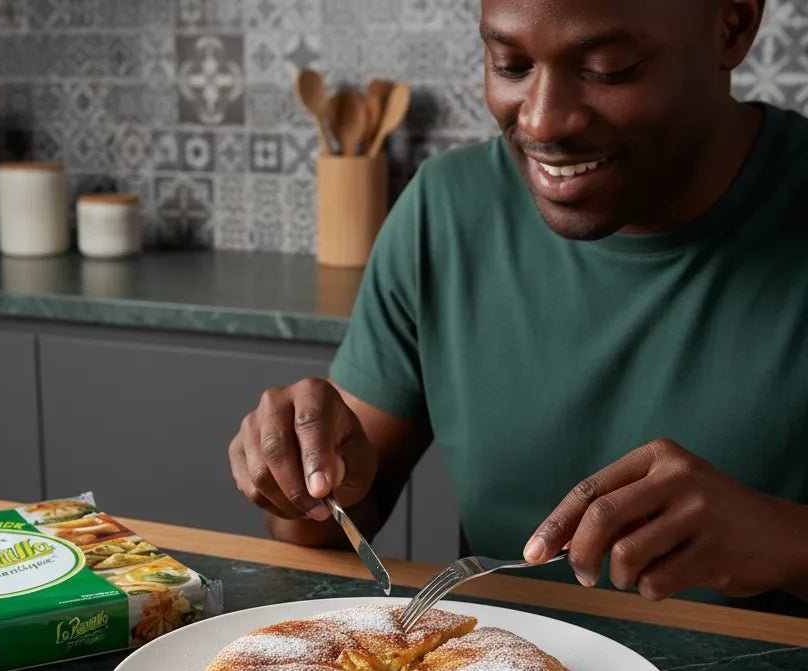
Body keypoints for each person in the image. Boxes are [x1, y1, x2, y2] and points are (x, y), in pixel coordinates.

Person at [229, 0, 808, 612]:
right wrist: (301, 480)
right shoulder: (447, 211)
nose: (542, 120)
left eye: (610, 68)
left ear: (734, 25)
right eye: (509, 65)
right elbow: (329, 530)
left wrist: (791, 543)